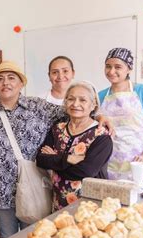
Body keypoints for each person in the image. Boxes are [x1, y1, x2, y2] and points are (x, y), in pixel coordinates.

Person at [0, 61, 67, 238]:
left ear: (21, 83)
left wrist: (100, 116)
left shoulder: (39, 107)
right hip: (2, 190)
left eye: (11, 78)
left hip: (34, 186)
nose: (5, 82)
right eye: (0, 79)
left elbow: (73, 114)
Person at [36, 81, 113, 212]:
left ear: (93, 104)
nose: (75, 104)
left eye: (83, 100)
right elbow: (41, 160)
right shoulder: (57, 129)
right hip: (58, 202)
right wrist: (69, 159)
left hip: (89, 206)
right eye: (71, 99)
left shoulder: (101, 135)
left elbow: (85, 171)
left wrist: (54, 159)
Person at [98, 48, 143, 180]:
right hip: (109, 163)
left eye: (118, 67)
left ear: (129, 69)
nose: (111, 71)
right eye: (108, 66)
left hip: (138, 162)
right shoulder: (100, 96)